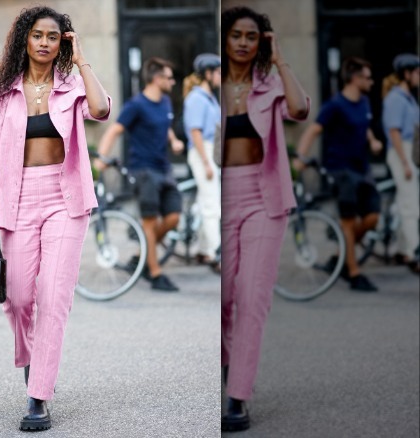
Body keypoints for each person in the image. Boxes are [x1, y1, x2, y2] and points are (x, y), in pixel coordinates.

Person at [0, 6, 110, 431]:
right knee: (16, 298)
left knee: (52, 296)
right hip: (15, 199)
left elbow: (101, 109)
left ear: (62, 42)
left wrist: (82, 60)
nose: (45, 42)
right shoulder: (3, 94)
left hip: (65, 199)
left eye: (53, 36)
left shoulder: (71, 85)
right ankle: (34, 359)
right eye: (37, 35)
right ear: (25, 39)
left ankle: (39, 397)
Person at [221, 6, 310, 432]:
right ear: (225, 38)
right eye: (236, 34)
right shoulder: (215, 87)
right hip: (223, 195)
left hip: (264, 195)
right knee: (223, 296)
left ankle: (238, 395)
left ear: (262, 43)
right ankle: (228, 361)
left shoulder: (270, 83)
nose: (243, 42)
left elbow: (300, 109)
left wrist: (280, 61)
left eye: (252, 36)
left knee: (251, 296)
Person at [94, 57, 185, 291]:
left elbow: (165, 127)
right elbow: (114, 130)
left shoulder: (165, 102)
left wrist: (174, 140)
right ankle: (154, 273)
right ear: (157, 79)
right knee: (149, 222)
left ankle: (141, 253)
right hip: (143, 170)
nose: (173, 82)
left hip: (164, 168)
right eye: (169, 77)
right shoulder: (136, 105)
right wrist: (101, 159)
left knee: (173, 218)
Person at [295, 57, 383, 291]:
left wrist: (373, 141)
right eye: (367, 77)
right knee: (348, 221)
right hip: (340, 170)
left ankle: (341, 255)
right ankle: (353, 273)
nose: (371, 82)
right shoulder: (334, 105)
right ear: (355, 78)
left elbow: (365, 126)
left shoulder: (364, 102)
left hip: (362, 169)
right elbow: (313, 130)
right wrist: (300, 159)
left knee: (372, 218)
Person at [183, 53, 222, 272]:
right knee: (211, 205)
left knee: (205, 200)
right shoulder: (197, 98)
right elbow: (195, 131)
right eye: (218, 72)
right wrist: (206, 162)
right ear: (208, 73)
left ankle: (204, 249)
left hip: (209, 150)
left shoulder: (209, 97)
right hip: (202, 152)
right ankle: (218, 254)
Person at [381, 53, 419, 273]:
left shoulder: (408, 98)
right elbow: (393, 131)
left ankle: (402, 249)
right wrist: (405, 162)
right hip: (400, 152)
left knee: (403, 201)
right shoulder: (396, 98)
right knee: (410, 204)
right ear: (407, 74)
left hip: (408, 150)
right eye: (417, 73)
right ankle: (415, 253)